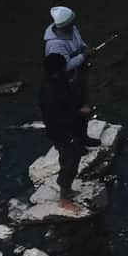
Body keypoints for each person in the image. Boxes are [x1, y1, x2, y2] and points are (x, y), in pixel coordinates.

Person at [39, 53, 91, 215]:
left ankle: (66, 191)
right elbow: (58, 116)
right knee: (70, 161)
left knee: (69, 159)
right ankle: (64, 200)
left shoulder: (56, 83)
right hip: (62, 132)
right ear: (59, 69)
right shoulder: (50, 90)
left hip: (66, 131)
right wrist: (80, 112)